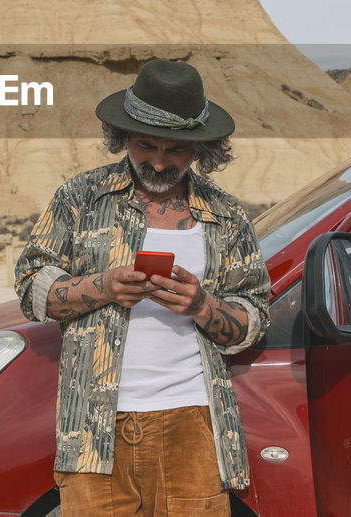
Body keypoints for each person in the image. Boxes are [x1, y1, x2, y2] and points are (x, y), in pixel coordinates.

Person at [14, 59, 270, 517]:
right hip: (92, 426)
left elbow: (253, 319)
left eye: (176, 151)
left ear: (201, 148)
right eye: (145, 145)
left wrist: (202, 305)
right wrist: (104, 286)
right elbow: (32, 288)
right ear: (123, 138)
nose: (157, 161)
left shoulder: (227, 215)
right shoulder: (80, 197)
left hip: (193, 423)